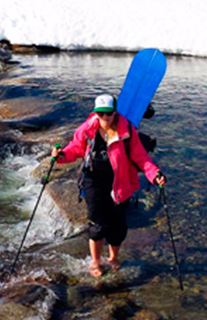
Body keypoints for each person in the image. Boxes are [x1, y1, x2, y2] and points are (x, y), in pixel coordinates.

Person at [52, 94, 167, 278]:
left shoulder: (127, 131)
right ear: (95, 113)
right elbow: (75, 148)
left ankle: (113, 258)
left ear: (115, 113)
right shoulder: (88, 129)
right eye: (101, 113)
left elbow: (141, 158)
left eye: (109, 113)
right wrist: (62, 156)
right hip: (94, 181)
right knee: (98, 224)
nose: (105, 118)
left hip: (121, 182)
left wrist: (155, 175)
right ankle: (96, 261)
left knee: (118, 226)